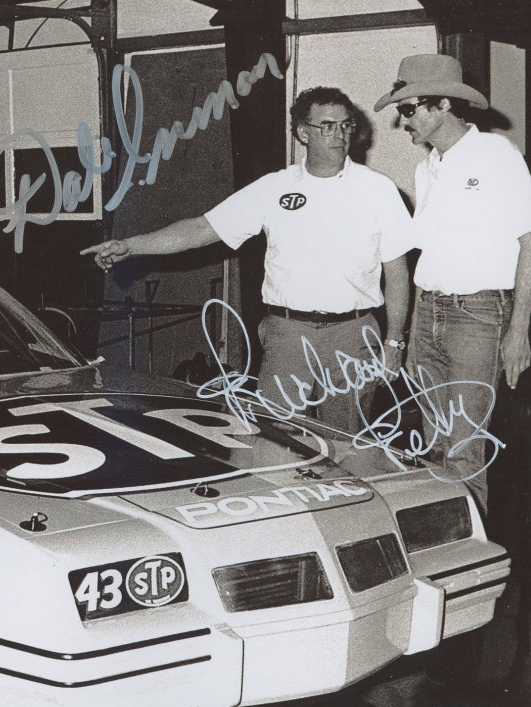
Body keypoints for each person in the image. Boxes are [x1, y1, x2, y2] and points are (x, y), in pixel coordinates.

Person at [81, 86, 413, 434]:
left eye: (346, 126)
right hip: (288, 335)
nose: (340, 135)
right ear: (303, 133)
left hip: (353, 334)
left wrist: (394, 342)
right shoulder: (275, 187)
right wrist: (131, 246)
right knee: (277, 439)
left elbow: (398, 272)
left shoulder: (378, 189)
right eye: (327, 126)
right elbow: (201, 228)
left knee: (348, 440)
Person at [374, 54, 531, 515]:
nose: (403, 122)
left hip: (479, 315)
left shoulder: (497, 155)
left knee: (464, 450)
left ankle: (472, 569)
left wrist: (519, 329)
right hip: (429, 312)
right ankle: (444, 547)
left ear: (442, 104)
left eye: (408, 109)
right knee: (433, 445)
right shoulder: (428, 169)